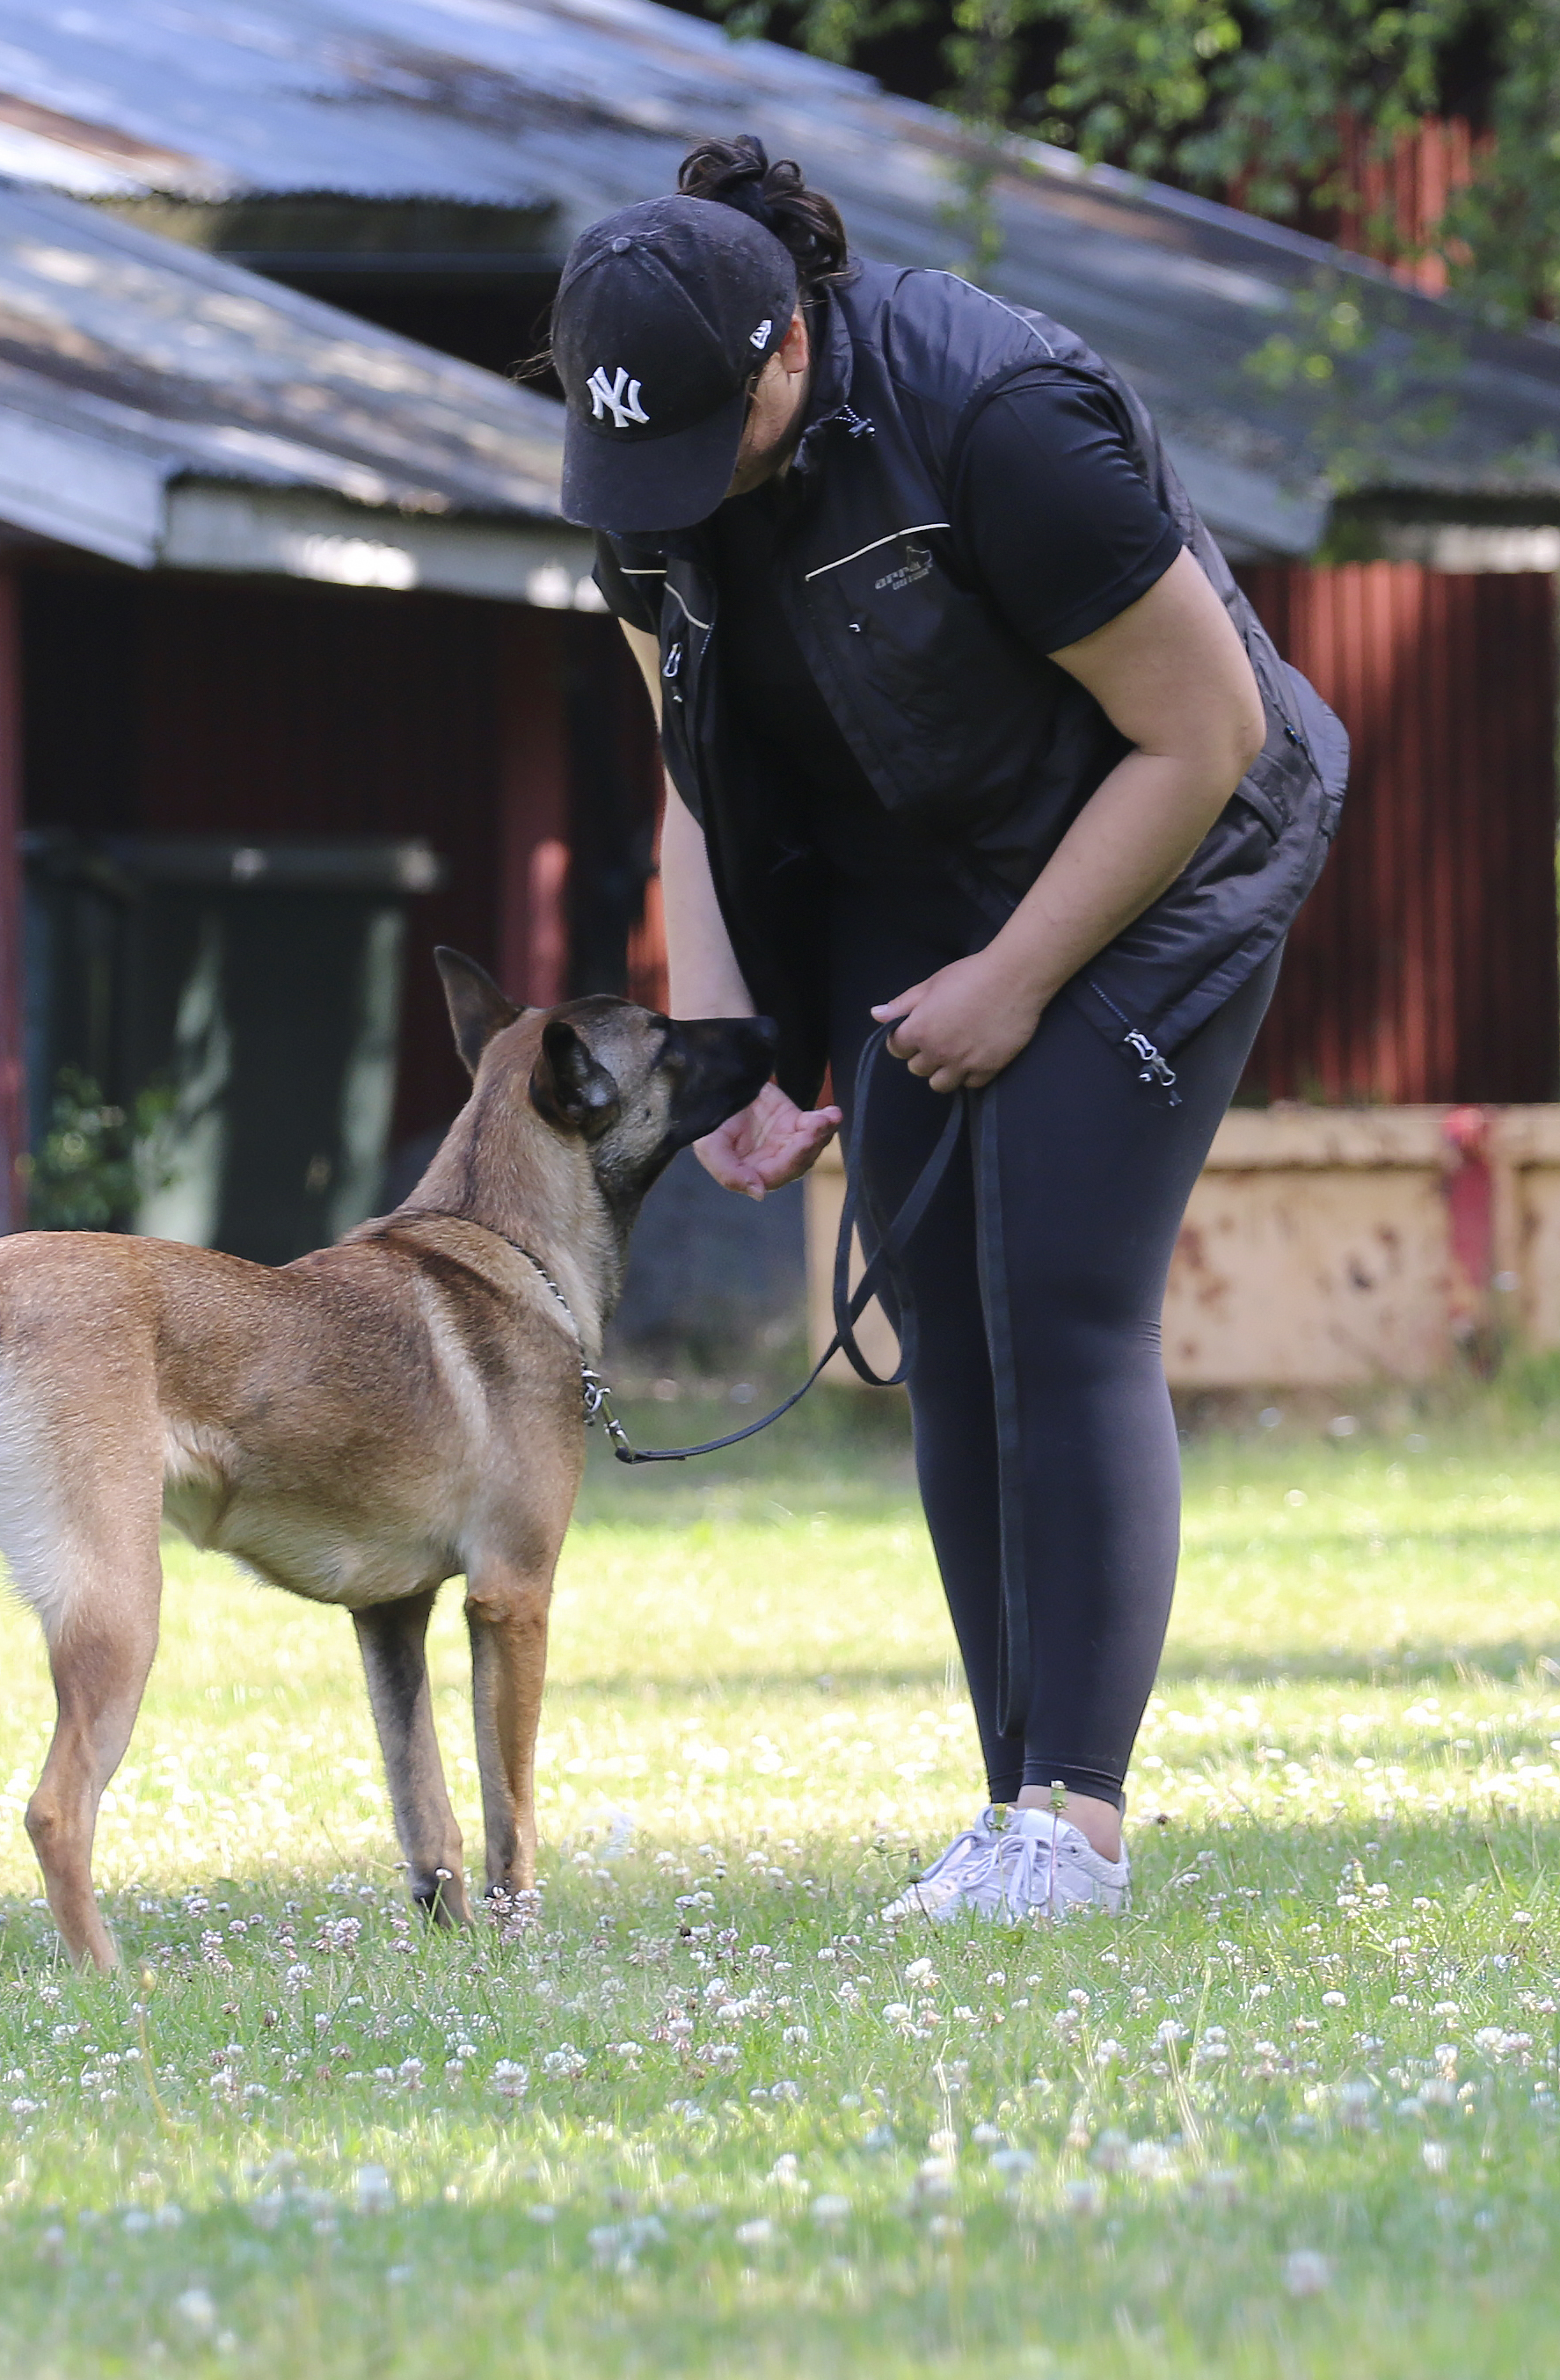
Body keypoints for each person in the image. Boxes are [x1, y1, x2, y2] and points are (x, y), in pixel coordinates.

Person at [556, 136, 1346, 1924]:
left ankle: (1079, 1821)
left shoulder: (996, 419)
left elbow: (1202, 733)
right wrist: (736, 1049)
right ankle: (1004, 1808)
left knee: (1053, 1292)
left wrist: (1015, 978)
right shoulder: (644, 476)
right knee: (937, 1328)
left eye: (709, 438)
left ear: (784, 349)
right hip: (908, 863)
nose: (670, 492)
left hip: (1162, 849)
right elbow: (699, 778)